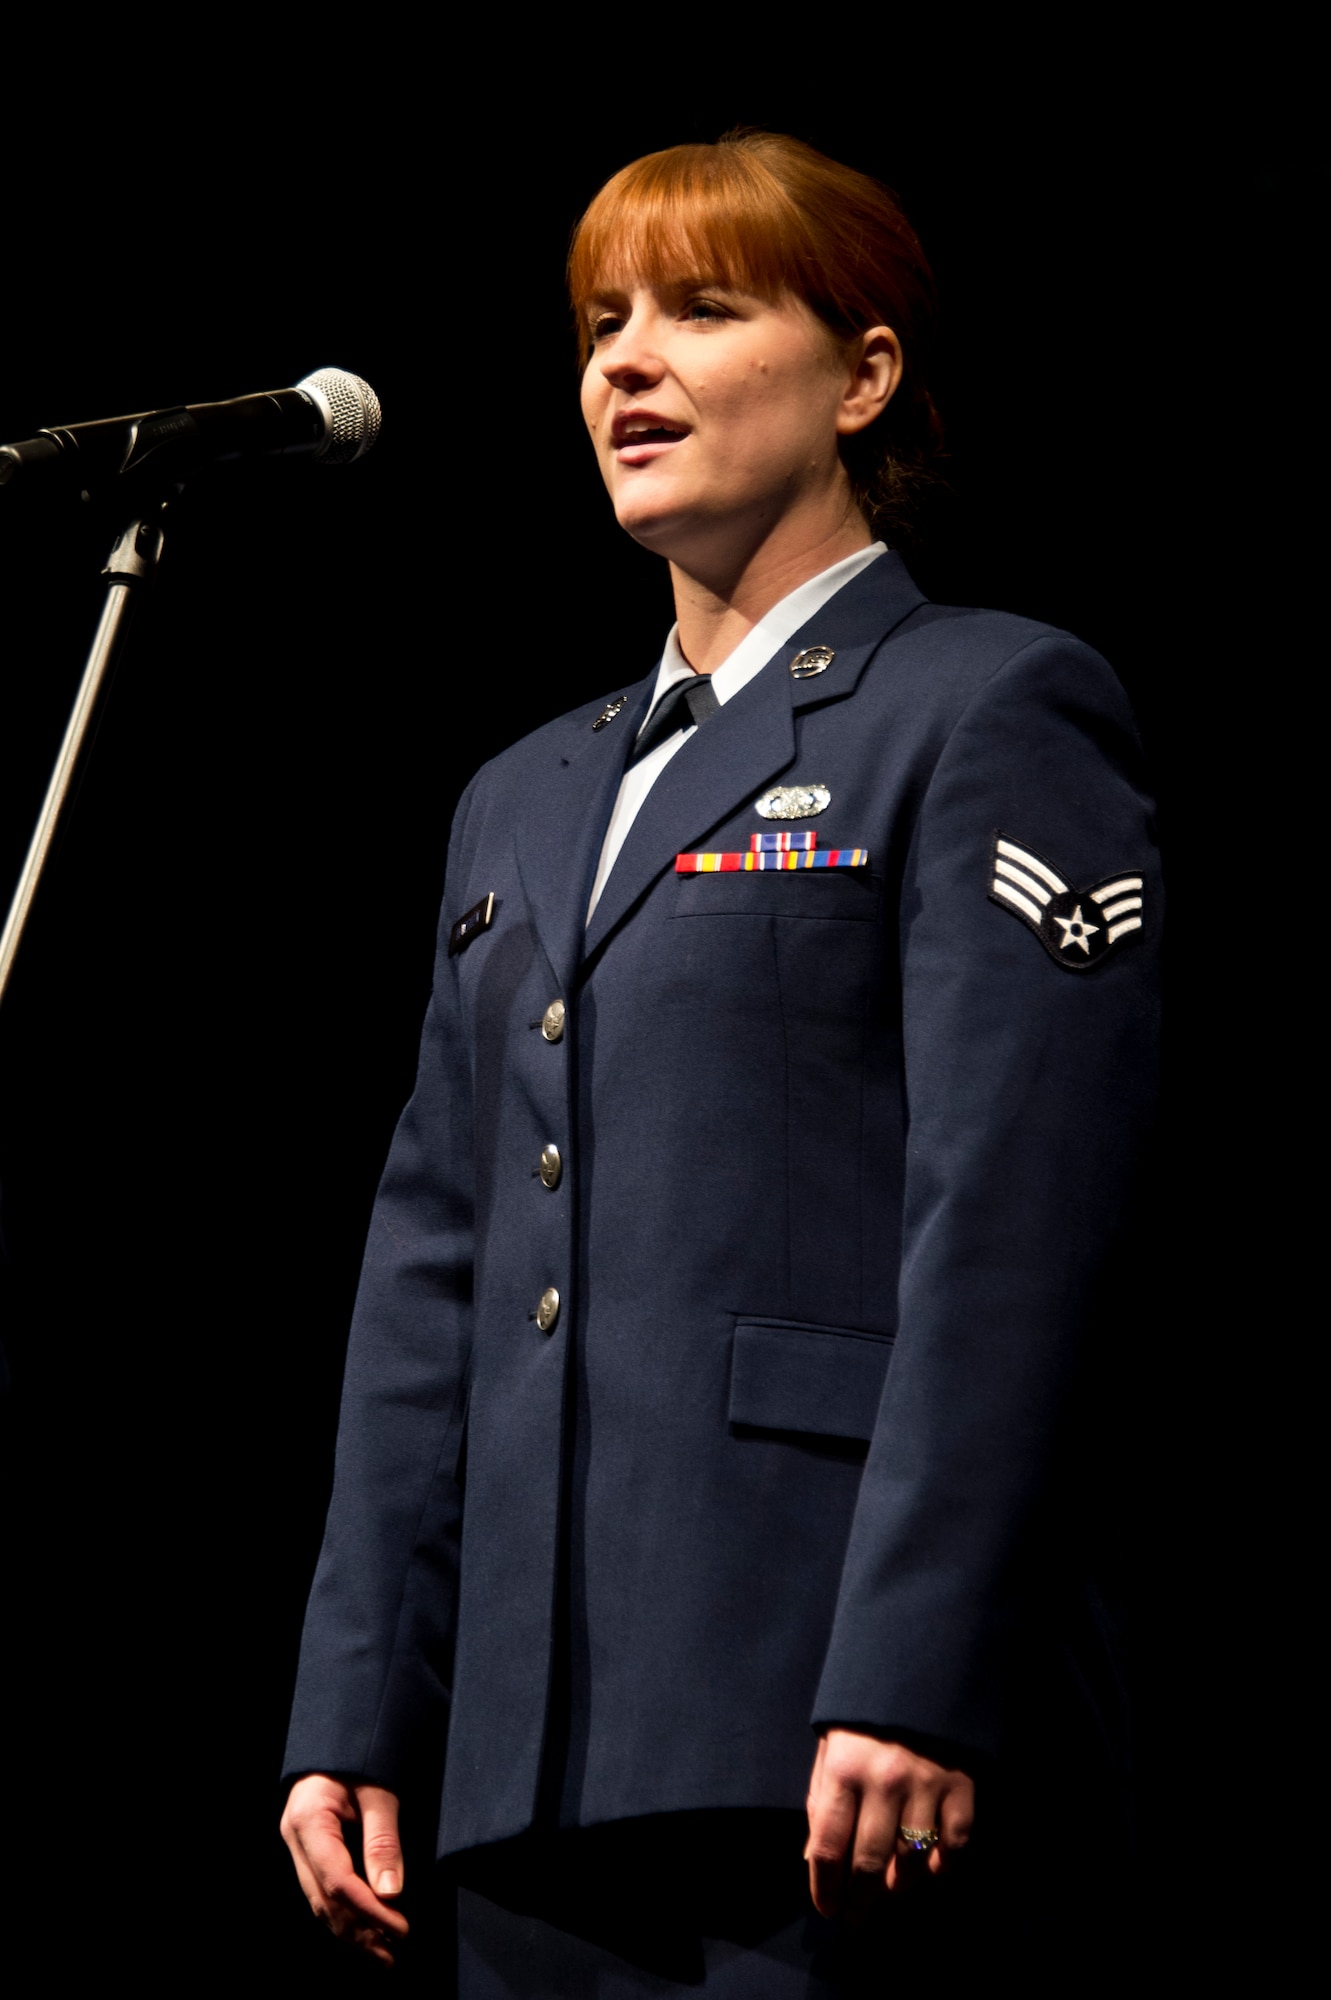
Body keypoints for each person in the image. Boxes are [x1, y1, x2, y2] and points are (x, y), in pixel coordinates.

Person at [281, 131, 1160, 1990]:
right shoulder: (520, 795)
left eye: (702, 307)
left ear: (864, 372)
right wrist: (357, 1703)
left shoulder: (987, 708)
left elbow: (1012, 1228)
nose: (624, 361)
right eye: (602, 322)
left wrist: (918, 1668)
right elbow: (430, 1275)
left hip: (832, 1725)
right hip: (525, 1760)